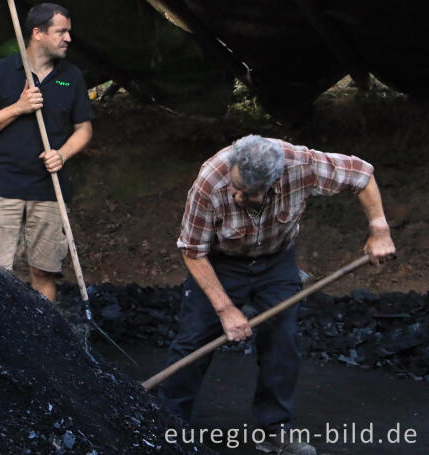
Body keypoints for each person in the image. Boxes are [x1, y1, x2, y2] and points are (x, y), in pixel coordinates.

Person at [159, 135, 396, 455]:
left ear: (274, 181)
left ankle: (275, 430)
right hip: (220, 263)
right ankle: (167, 426)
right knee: (194, 340)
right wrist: (226, 309)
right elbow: (192, 251)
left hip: (276, 261)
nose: (237, 196)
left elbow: (361, 174)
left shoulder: (301, 166)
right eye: (236, 187)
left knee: (282, 343)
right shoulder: (211, 181)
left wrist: (379, 229)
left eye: (249, 193)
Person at [0, 3, 94, 301]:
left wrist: (62, 154)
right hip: (3, 186)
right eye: (61, 31)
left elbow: (84, 129)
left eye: (69, 32)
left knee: (44, 272)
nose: (68, 38)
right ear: (37, 33)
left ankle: (45, 340)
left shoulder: (71, 76)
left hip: (50, 190)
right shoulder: (1, 71)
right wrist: (19, 107)